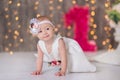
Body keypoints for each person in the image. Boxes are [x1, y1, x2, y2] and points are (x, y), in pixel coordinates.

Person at [29, 16, 96, 76]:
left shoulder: (59, 42)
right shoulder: (40, 44)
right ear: (36, 34)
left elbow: (63, 57)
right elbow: (40, 58)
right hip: (58, 58)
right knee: (56, 62)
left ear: (53, 28)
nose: (45, 33)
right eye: (40, 31)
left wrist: (63, 71)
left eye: (47, 29)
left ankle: (85, 61)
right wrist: (38, 70)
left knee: (78, 66)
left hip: (69, 56)